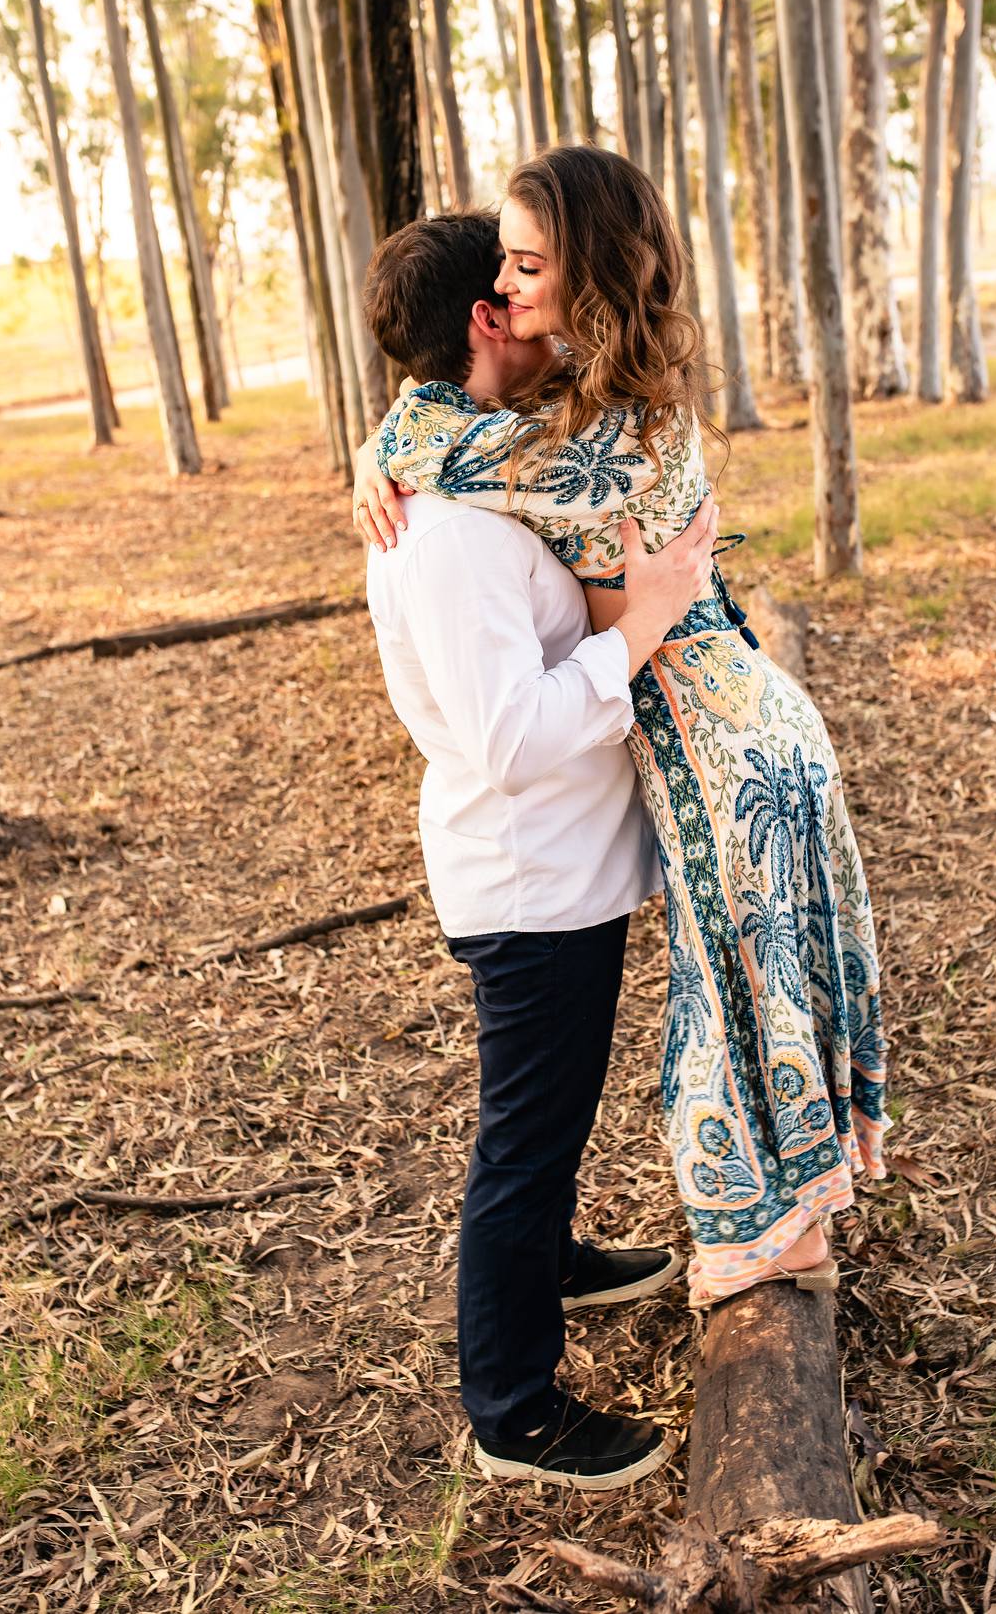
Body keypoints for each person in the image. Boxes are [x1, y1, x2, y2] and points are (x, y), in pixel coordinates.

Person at [356, 146, 888, 1316]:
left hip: (723, 741)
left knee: (736, 999)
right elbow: (446, 431)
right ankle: (788, 1217)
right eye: (502, 266)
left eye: (527, 262)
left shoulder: (593, 442)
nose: (506, 285)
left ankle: (774, 1238)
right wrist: (379, 450)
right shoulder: (596, 394)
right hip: (725, 720)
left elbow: (444, 442)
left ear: (584, 270)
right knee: (750, 989)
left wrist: (380, 451)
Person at [359, 210, 720, 1492]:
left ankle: (552, 1262)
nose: (535, 301)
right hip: (528, 881)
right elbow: (510, 737)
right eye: (514, 284)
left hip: (557, 867)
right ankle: (511, 1410)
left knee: (548, 1123)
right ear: (483, 320)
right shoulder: (450, 534)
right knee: (522, 1141)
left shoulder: (462, 462)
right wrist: (643, 625)